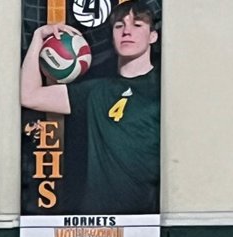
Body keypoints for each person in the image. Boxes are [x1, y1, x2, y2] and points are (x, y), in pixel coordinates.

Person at [20, 1, 160, 214]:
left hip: (148, 220)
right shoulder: (96, 91)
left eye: (137, 25)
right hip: (95, 222)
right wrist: (39, 37)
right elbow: (29, 96)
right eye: (119, 26)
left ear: (153, 36)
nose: (127, 31)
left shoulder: (164, 88)